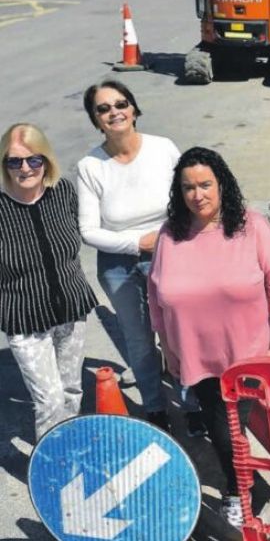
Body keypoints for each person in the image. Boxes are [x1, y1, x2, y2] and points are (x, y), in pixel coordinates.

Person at [148, 147, 270, 529]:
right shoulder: (170, 234)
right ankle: (241, 486)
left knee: (229, 434)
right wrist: (169, 350)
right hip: (198, 359)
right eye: (188, 187)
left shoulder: (251, 226)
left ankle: (238, 491)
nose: (198, 195)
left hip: (247, 356)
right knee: (221, 430)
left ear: (222, 185)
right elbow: (155, 298)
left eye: (206, 184)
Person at [76, 80, 202, 434]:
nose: (114, 112)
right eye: (103, 109)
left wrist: (165, 239)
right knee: (139, 338)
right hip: (119, 265)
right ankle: (154, 406)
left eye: (121, 103)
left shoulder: (163, 149)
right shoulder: (91, 166)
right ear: (96, 120)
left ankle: (191, 403)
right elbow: (88, 231)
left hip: (171, 253)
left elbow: (189, 197)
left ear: (133, 109)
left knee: (178, 334)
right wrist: (136, 244)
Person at [0, 123, 98, 441]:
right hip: (26, 321)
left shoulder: (63, 193)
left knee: (71, 391)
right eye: (14, 161)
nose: (25, 168)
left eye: (33, 159)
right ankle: (51, 468)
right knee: (49, 401)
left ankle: (70, 449)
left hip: (71, 308)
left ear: (46, 160)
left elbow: (89, 230)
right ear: (4, 166)